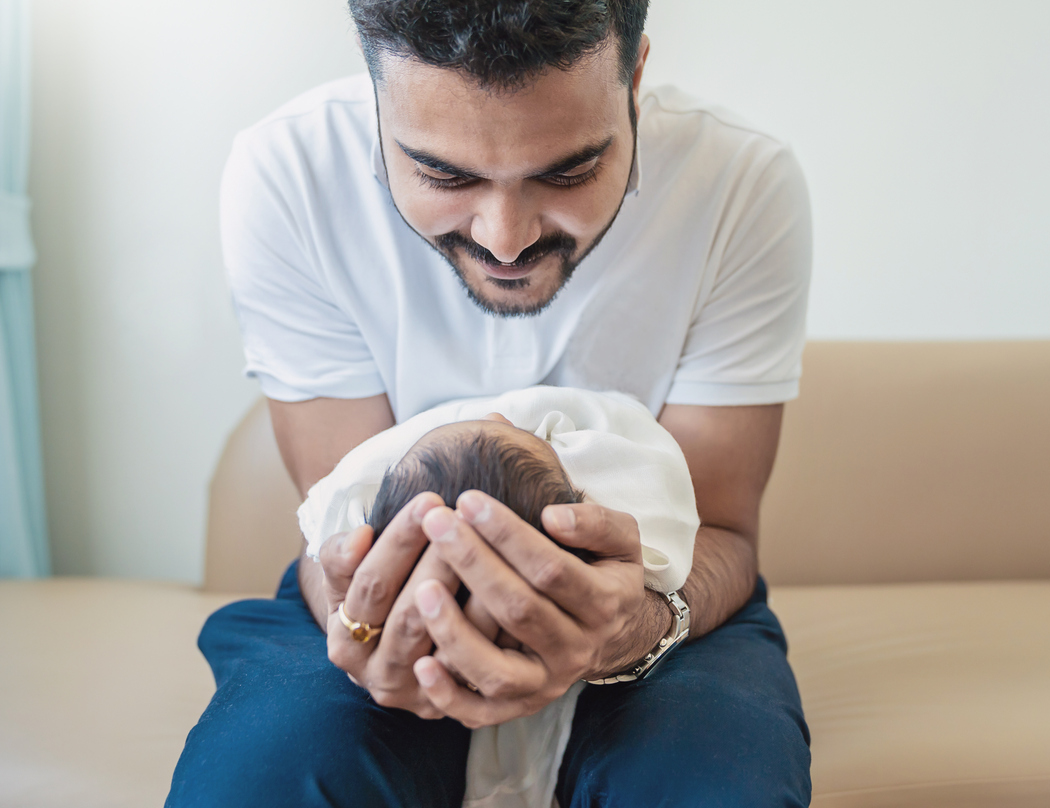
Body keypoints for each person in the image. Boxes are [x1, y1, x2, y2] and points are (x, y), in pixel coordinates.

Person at [168, 0, 814, 805]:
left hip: (656, 604)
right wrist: (367, 620)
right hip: (389, 601)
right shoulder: (288, 176)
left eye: (570, 171)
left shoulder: (740, 187)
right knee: (263, 779)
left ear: (634, 78)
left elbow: (721, 529)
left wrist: (639, 624)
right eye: (444, 174)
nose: (505, 238)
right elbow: (334, 517)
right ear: (377, 98)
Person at [294, 385, 700, 808]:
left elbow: (322, 527)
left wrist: (639, 626)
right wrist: (359, 622)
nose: (498, 416)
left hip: (664, 628)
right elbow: (319, 551)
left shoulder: (355, 489)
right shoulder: (617, 449)